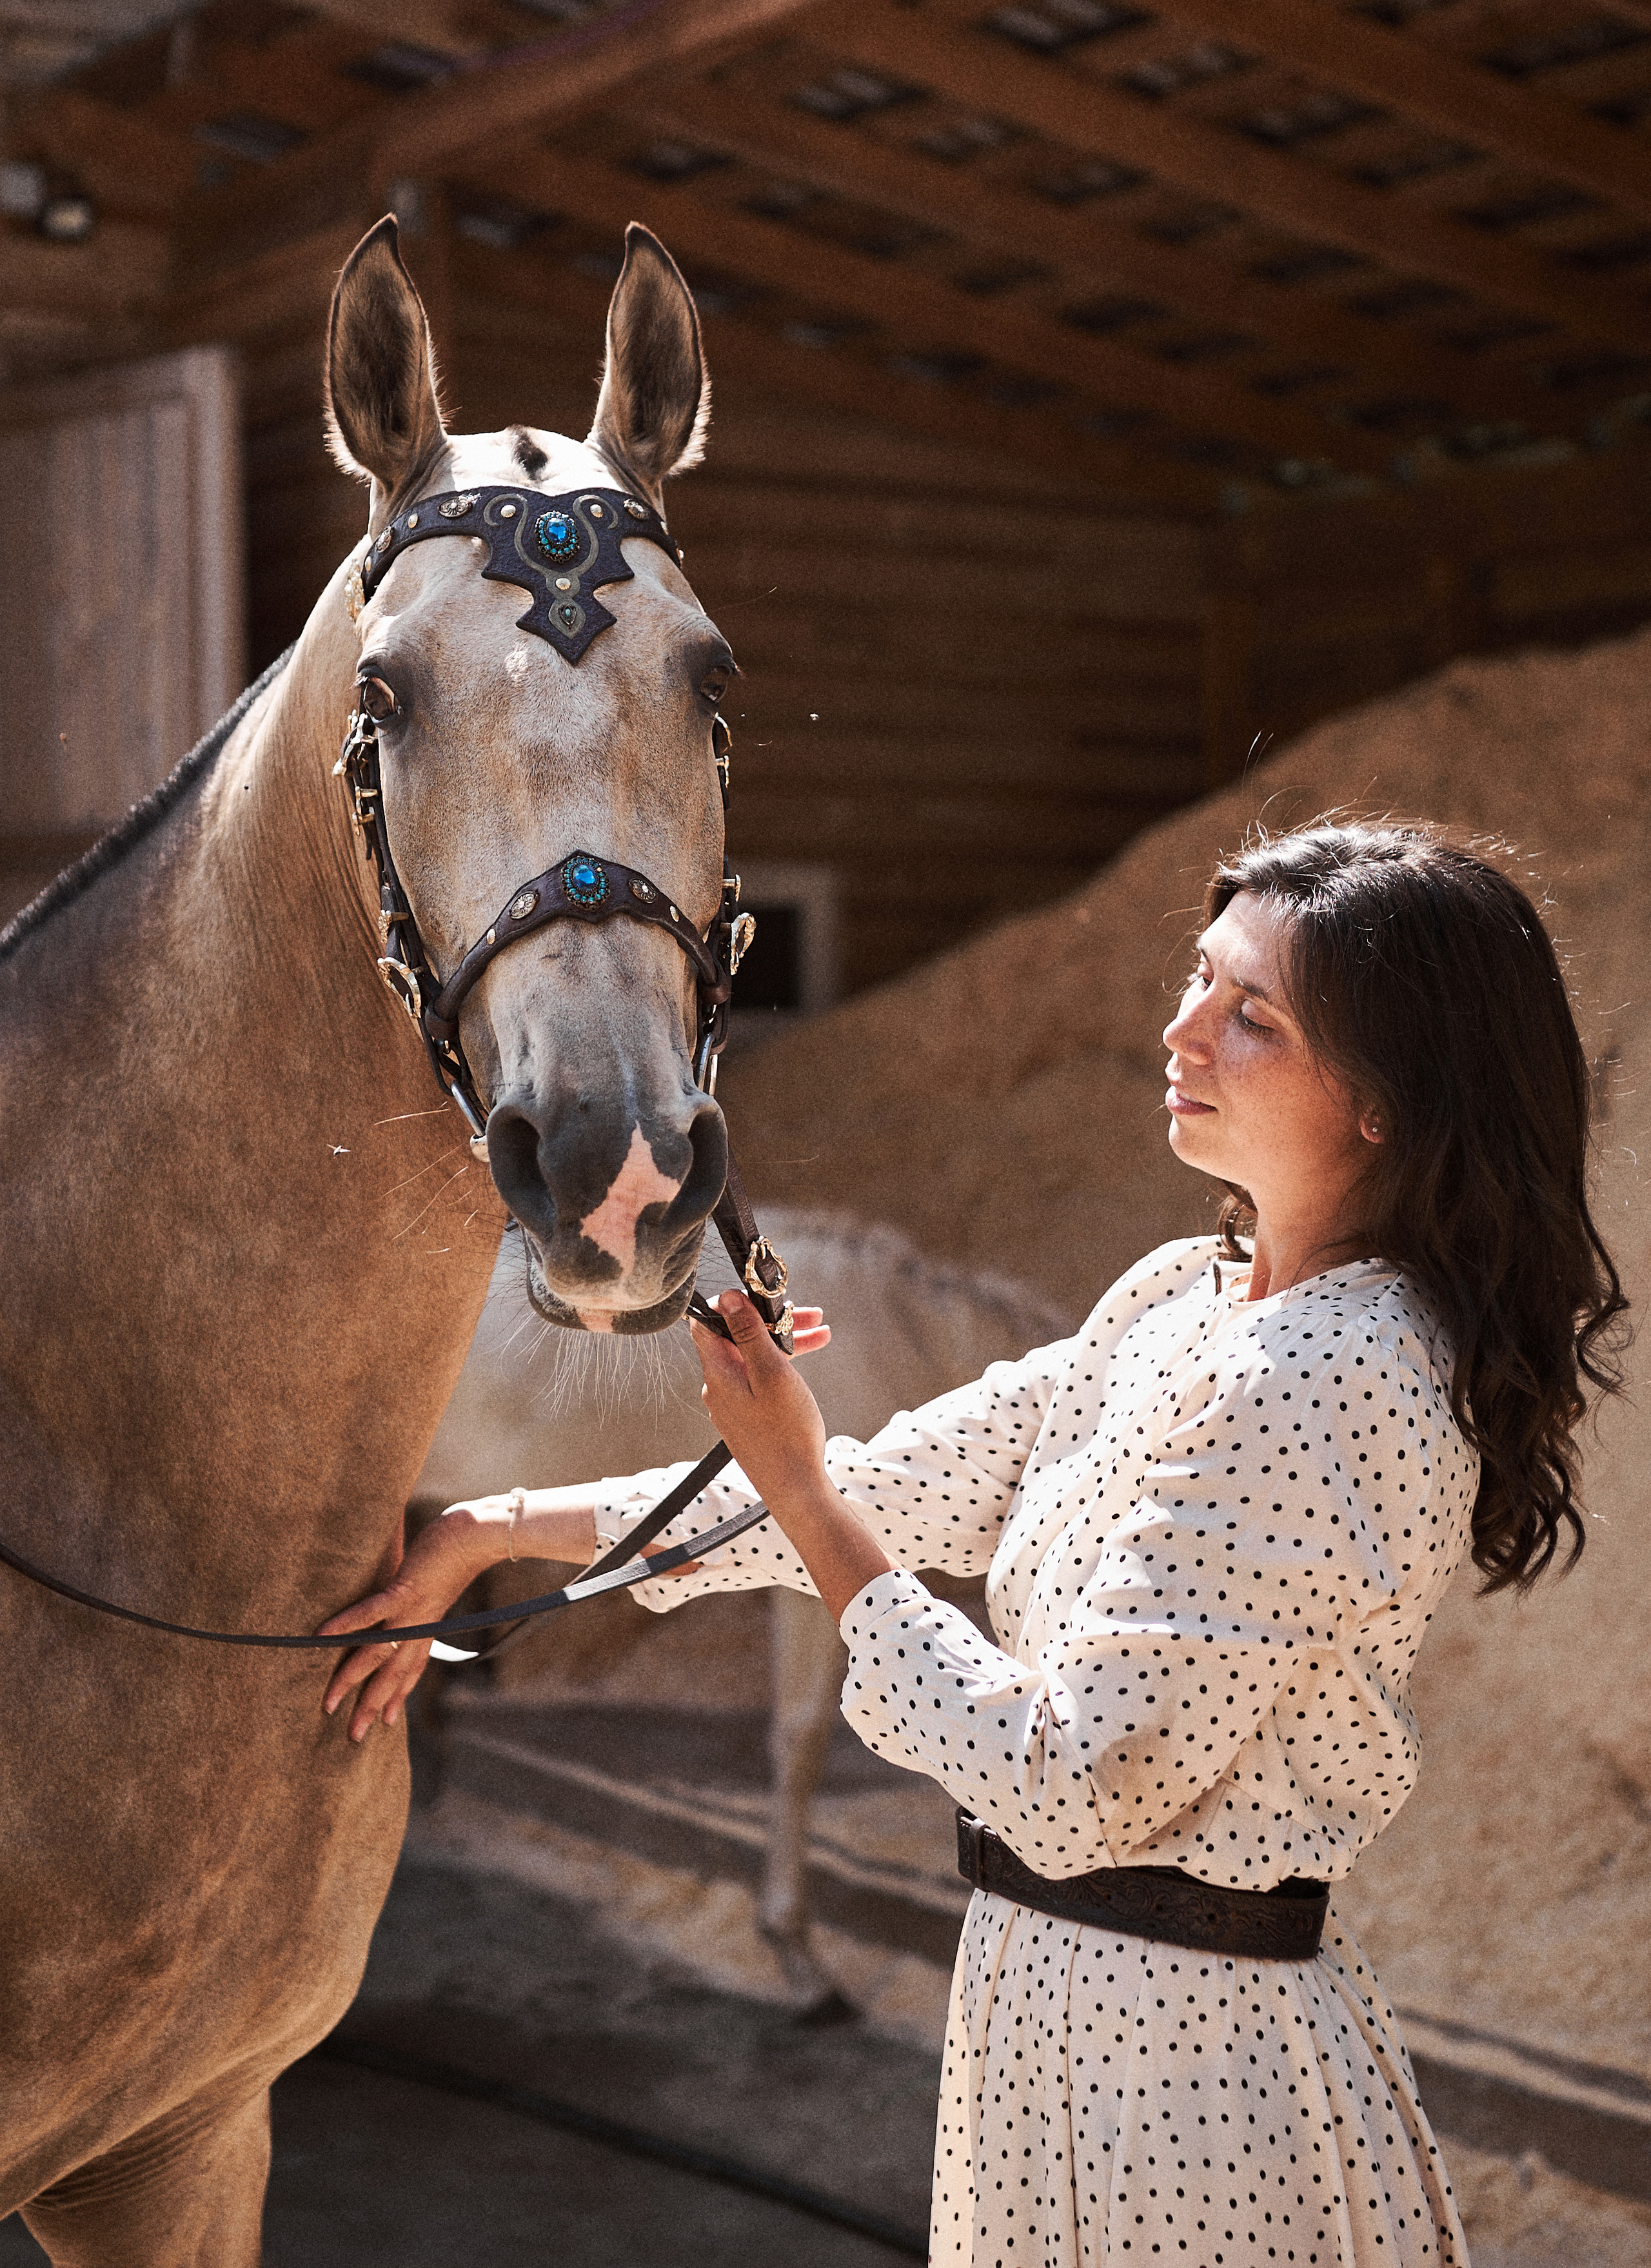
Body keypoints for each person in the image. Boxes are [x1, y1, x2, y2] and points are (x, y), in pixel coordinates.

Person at [322, 820, 1626, 2267]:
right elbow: (887, 1486)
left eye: (1249, 1015)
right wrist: (495, 1529)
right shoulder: (1183, 1302)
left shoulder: (1324, 1376)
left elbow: (1068, 1782)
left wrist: (808, 1501)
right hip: (1050, 2020)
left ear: (1387, 1097)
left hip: (1184, 2079)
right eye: (1198, 979)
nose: (1178, 1027)